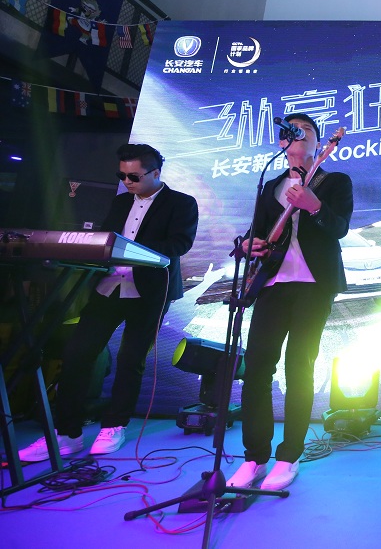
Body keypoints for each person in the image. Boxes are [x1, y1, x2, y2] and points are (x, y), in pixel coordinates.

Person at [18, 143, 198, 461]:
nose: (127, 182)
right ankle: (66, 433)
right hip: (109, 287)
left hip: (150, 291)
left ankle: (114, 425)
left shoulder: (181, 203)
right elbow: (103, 238)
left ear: (156, 173)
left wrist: (129, 248)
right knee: (77, 354)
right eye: (122, 175)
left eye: (134, 176)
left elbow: (179, 244)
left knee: (131, 360)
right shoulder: (120, 201)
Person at [226, 113, 353, 491]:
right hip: (272, 285)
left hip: (314, 285)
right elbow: (255, 233)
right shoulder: (271, 185)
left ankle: (289, 455)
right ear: (283, 142)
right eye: (292, 132)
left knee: (299, 366)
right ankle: (254, 457)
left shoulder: (335, 181)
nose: (299, 135)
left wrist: (314, 206)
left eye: (307, 130)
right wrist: (246, 245)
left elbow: (340, 228)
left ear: (318, 142)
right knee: (256, 367)